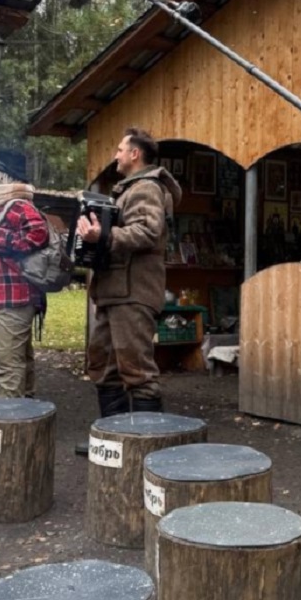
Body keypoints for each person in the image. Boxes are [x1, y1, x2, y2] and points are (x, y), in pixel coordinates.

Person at [75, 127, 182, 453]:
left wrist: (103, 237)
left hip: (133, 293)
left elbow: (147, 232)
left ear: (135, 154)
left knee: (137, 372)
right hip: (114, 292)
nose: (116, 155)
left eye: (120, 150)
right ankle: (115, 445)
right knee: (104, 369)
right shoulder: (127, 190)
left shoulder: (146, 188)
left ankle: (150, 451)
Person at [0, 148, 49, 399]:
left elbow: (39, 233)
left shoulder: (17, 204)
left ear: (3, 175)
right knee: (20, 359)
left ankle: (7, 411)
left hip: (15, 296)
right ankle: (27, 407)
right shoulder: (1, 206)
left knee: (9, 363)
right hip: (9, 295)